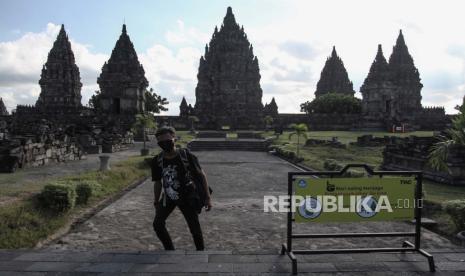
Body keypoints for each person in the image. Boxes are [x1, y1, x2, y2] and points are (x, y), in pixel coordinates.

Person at [151, 126, 212, 250]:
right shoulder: (157, 160)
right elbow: (157, 182)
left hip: (188, 196)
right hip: (168, 196)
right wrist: (156, 200)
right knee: (157, 224)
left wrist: (207, 197)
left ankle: (200, 252)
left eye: (167, 140)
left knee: (194, 228)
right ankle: (169, 249)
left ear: (174, 138)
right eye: (161, 142)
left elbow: (201, 175)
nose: (164, 144)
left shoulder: (186, 155)